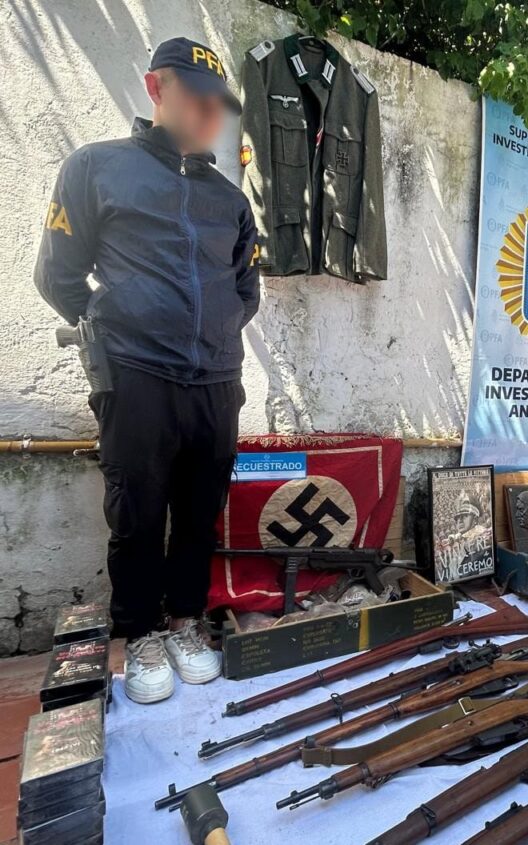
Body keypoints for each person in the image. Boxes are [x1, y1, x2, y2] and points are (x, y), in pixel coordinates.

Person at [34, 38, 260, 704]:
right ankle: (139, 634)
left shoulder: (230, 201)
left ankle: (186, 621)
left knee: (199, 512)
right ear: (156, 88)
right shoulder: (96, 169)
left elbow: (246, 290)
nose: (210, 114)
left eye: (219, 104)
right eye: (196, 97)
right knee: (136, 512)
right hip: (135, 378)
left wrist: (215, 337)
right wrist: (115, 332)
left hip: (215, 382)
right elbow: (58, 275)